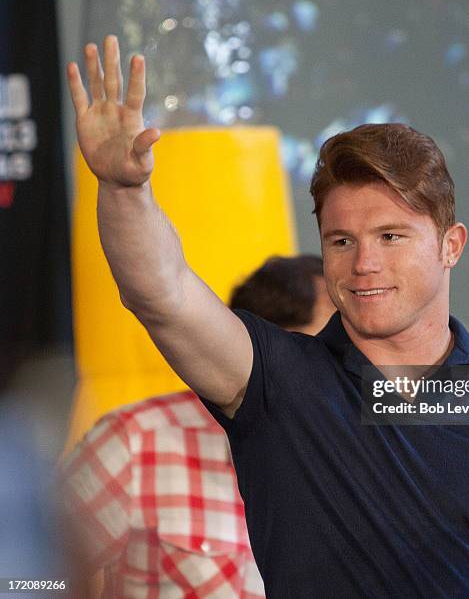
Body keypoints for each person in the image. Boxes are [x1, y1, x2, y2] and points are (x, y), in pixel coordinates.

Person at [67, 35, 469, 597]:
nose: (364, 263)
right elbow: (160, 292)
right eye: (341, 241)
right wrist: (124, 189)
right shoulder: (275, 381)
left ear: (451, 245)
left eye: (391, 237)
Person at [61, 255, 333, 598]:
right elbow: (23, 577)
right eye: (329, 350)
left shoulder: (356, 455)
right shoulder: (140, 440)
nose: (347, 368)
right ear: (269, 347)